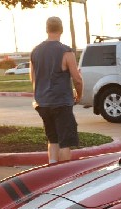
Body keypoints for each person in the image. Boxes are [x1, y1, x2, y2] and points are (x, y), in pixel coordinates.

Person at [30, 16, 83, 163]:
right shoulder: (66, 51)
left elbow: (33, 78)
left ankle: (52, 170)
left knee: (52, 139)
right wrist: (79, 95)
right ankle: (64, 176)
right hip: (61, 103)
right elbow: (77, 79)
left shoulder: (35, 51)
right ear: (61, 30)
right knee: (65, 142)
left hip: (43, 103)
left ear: (47, 29)